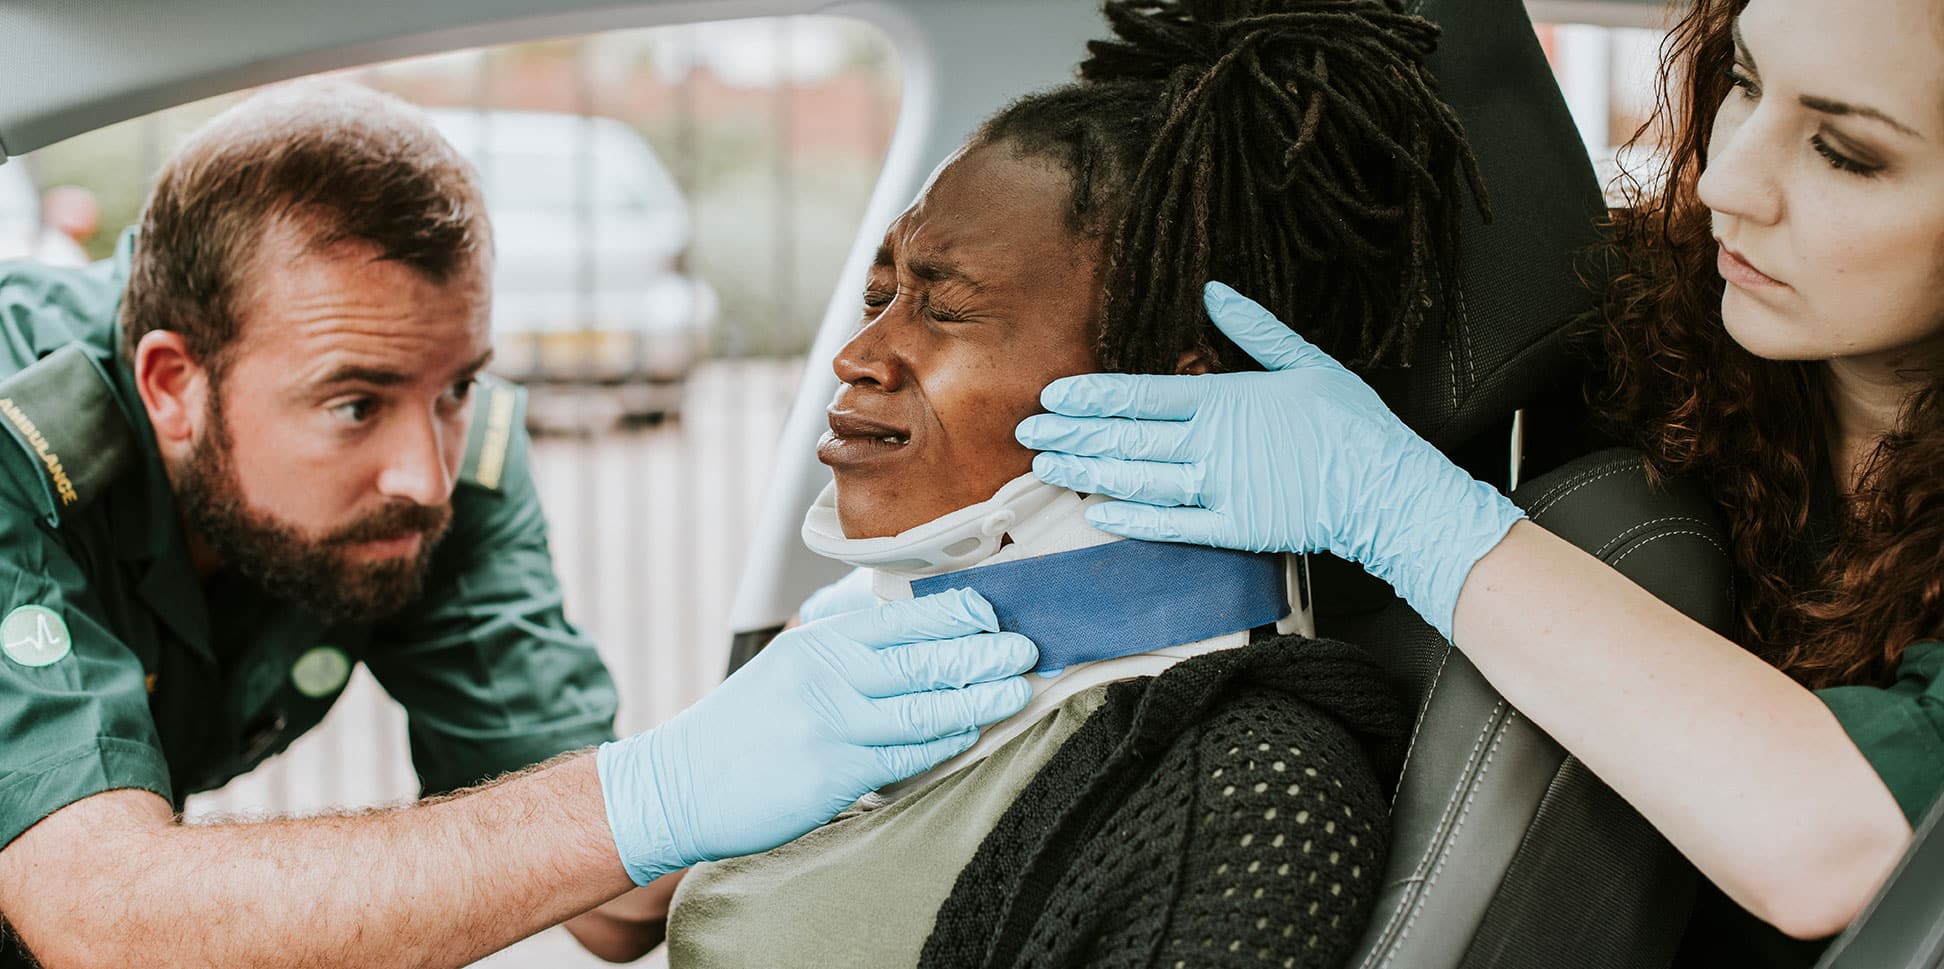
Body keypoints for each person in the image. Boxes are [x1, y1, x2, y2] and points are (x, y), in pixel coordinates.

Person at [0, 81, 1039, 969]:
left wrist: (832, 757)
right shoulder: (15, 435)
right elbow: (99, 914)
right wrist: (649, 793)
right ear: (173, 386)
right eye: (354, 405)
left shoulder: (443, 451)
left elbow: (609, 895)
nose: (424, 475)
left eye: (456, 388)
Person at [1016, 0, 1941, 963]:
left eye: (1844, 153)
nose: (1727, 179)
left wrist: (1407, 512)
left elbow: (1846, 841)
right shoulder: (1633, 321)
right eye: (1745, 82)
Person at [664, 2, 1482, 966]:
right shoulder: (863, 633)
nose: (858, 354)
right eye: (878, 297)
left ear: (1164, 392)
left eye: (948, 309)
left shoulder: (1246, 786)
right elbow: (616, 911)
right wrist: (671, 787)